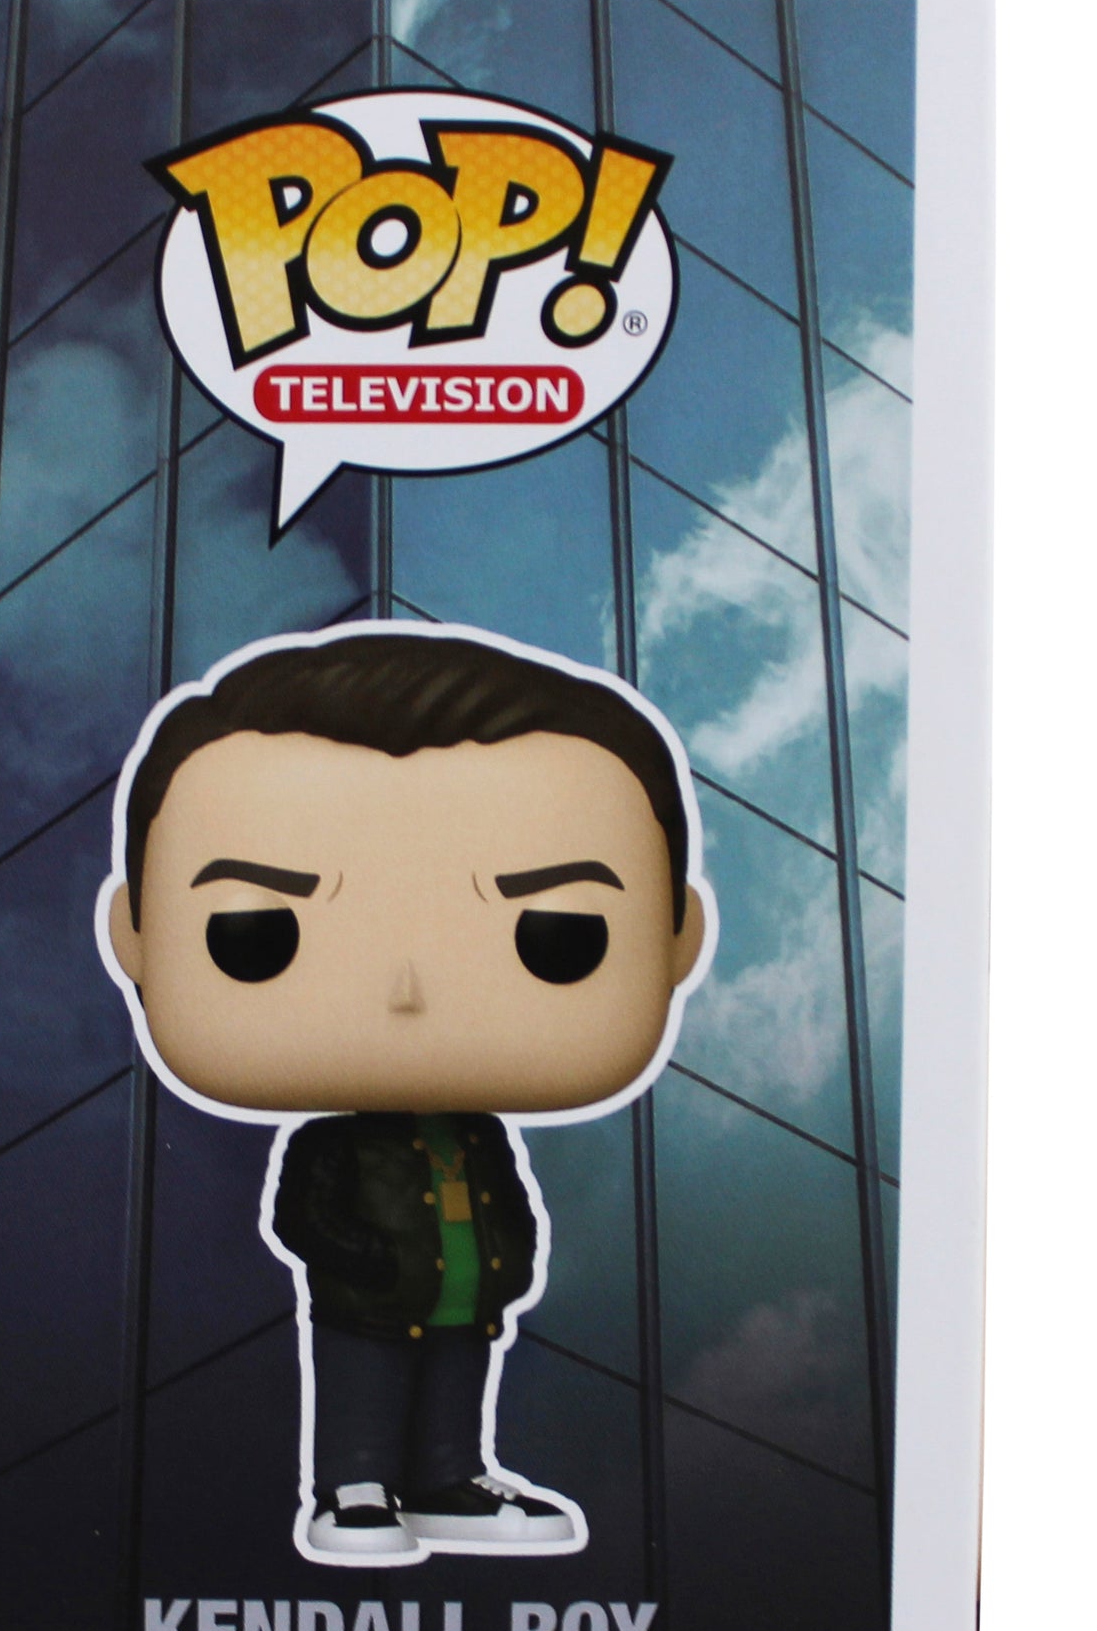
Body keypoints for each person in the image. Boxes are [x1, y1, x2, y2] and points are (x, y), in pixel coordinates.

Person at [99, 626, 711, 1563]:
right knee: (364, 1385)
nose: (406, 991)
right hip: (370, 1300)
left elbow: (507, 1201)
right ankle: (353, 1486)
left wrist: (510, 1260)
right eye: (255, 934)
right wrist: (363, 1256)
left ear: (679, 940)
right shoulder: (336, 1143)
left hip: (469, 1296)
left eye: (559, 934)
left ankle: (447, 1479)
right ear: (134, 936)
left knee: (456, 1391)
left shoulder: (478, 1136)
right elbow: (301, 1215)